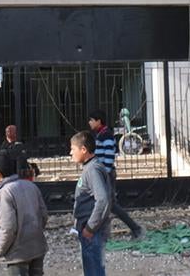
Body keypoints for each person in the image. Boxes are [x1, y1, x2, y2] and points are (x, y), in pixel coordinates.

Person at [0, 150, 48, 276]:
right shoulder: (31, 186)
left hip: (18, 254)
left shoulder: (4, 193)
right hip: (37, 247)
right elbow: (44, 215)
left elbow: (8, 229)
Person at [88, 110, 144, 240]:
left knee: (107, 204)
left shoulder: (105, 135)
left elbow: (109, 157)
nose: (89, 123)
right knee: (107, 204)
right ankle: (105, 233)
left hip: (106, 174)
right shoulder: (101, 134)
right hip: (104, 173)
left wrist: (104, 174)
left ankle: (136, 229)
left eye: (91, 120)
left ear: (98, 121)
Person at [70, 130, 112, 276]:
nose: (71, 152)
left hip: (93, 231)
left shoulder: (93, 169)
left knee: (94, 271)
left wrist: (90, 227)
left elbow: (103, 200)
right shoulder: (89, 168)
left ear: (83, 149)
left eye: (73, 149)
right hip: (89, 230)